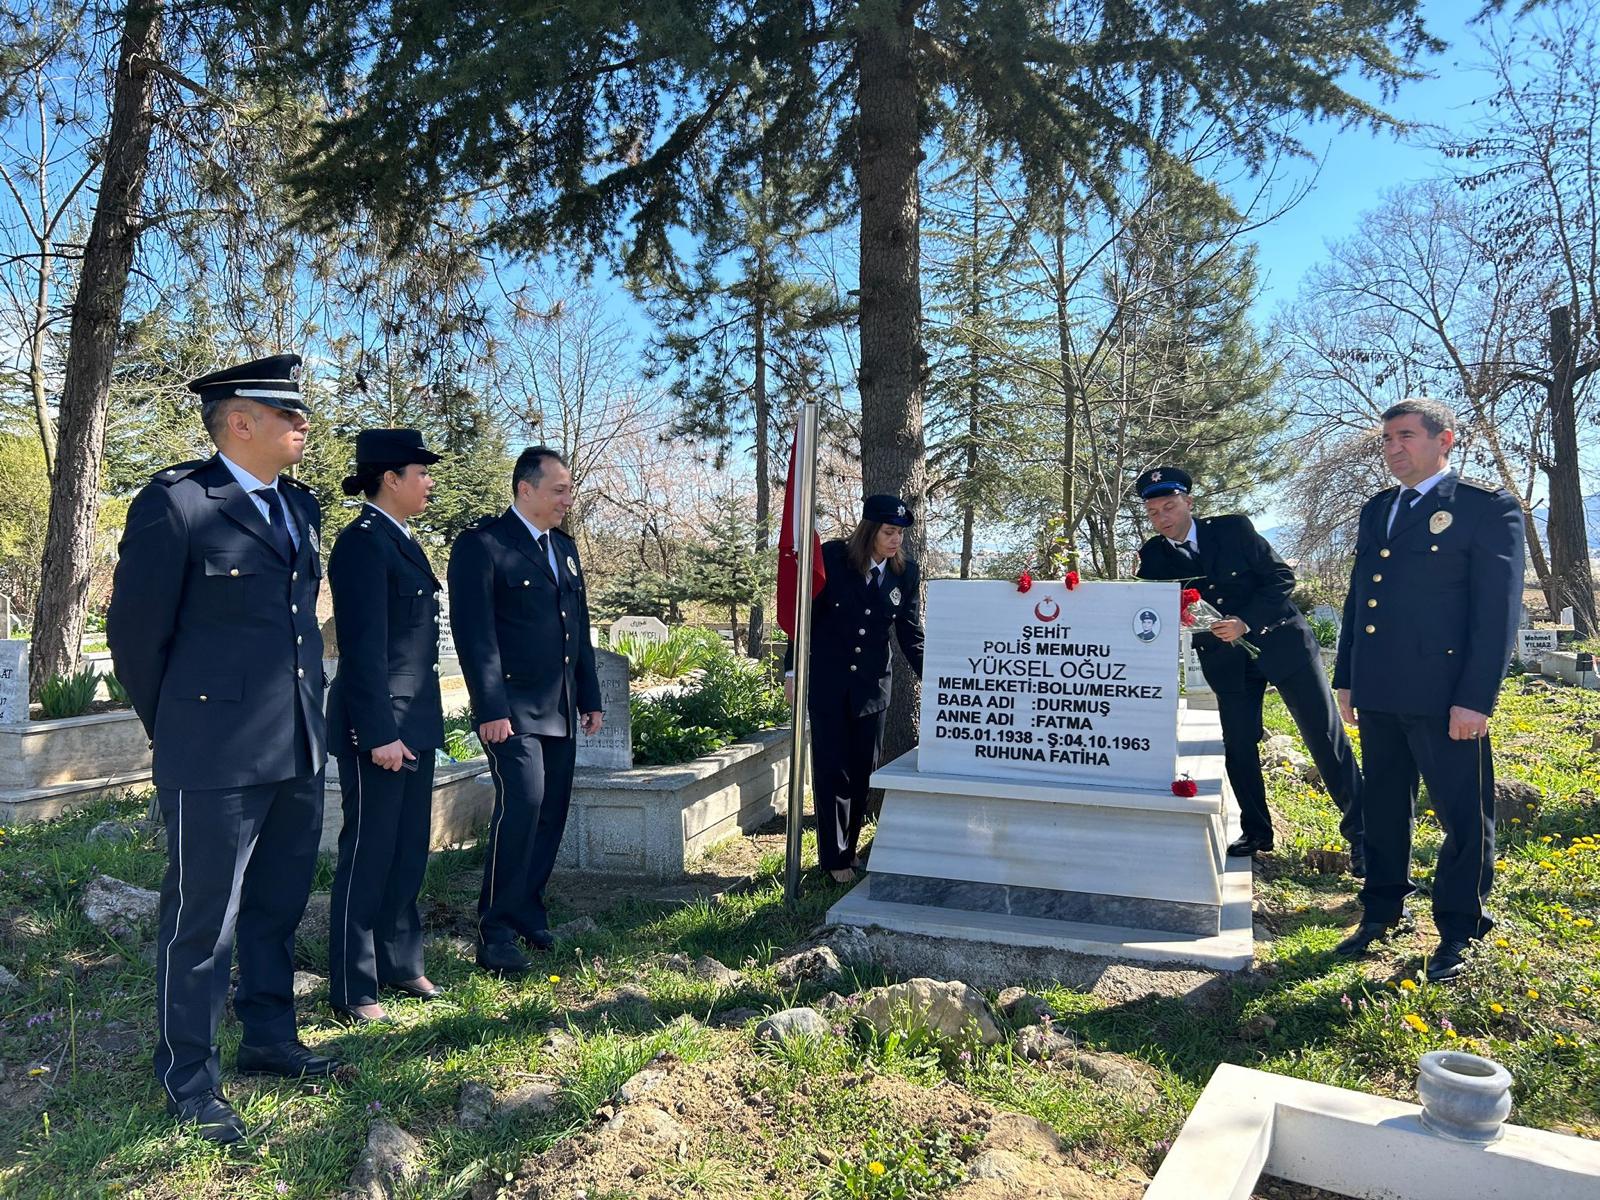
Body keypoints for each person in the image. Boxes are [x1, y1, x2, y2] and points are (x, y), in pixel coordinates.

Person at [106, 354, 338, 1145]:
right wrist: (177, 733)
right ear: (239, 421)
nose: (303, 423)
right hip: (213, 754)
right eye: (288, 414)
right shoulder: (178, 505)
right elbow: (137, 640)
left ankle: (270, 1039)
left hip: (297, 744)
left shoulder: (301, 508)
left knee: (276, 907)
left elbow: (298, 628)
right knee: (203, 919)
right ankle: (189, 1077)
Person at [1332, 399, 1523, 982]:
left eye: (1406, 436)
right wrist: (1347, 677)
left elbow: (1497, 615)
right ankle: (1381, 910)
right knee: (1386, 806)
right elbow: (1359, 601)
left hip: (1446, 697)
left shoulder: (1484, 509)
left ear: (1446, 440)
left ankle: (1461, 928)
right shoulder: (1377, 510)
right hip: (1381, 689)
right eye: (1387, 439)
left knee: (1464, 816)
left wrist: (1476, 699)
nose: (1393, 448)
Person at [1135, 466, 1365, 872]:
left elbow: (1280, 579)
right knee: (1239, 746)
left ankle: (1364, 836)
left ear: (1189, 503)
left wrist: (1244, 620)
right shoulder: (1152, 557)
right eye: (1153, 513)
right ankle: (1257, 831)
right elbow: (1154, 610)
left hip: (1282, 644)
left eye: (1169, 506)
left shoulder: (1233, 530)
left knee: (1324, 739)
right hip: (1226, 662)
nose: (1163, 518)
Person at [447, 447, 603, 977]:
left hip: (557, 706)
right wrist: (490, 707)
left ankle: (527, 911)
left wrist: (590, 696)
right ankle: (493, 929)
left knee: (551, 808)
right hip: (511, 709)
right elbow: (474, 635)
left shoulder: (564, 547)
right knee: (524, 803)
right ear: (525, 489)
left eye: (568, 488)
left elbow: (576, 629)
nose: (567, 498)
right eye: (558, 489)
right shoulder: (483, 545)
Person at [324, 430, 446, 1023]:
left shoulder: (402, 541)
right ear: (389, 479)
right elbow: (364, 650)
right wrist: (377, 733)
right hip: (380, 727)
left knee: (406, 851)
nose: (428, 481)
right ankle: (354, 983)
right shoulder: (362, 544)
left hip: (413, 721)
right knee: (370, 851)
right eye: (419, 471)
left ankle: (401, 963)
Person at [785, 494, 925, 884]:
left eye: (900, 533)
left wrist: (938, 677)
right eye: (889, 532)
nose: (896, 540)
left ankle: (849, 849)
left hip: (872, 688)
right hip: (828, 683)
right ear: (869, 530)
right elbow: (803, 617)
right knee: (832, 770)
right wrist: (793, 670)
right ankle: (834, 859)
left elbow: (910, 635)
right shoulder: (831, 558)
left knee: (863, 771)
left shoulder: (905, 574)